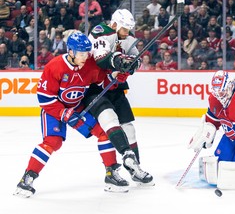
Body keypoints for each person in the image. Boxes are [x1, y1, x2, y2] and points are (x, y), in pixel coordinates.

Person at [13, 32, 142, 197]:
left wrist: (117, 77)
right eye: (81, 53)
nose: (85, 56)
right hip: (55, 110)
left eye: (87, 53)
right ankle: (27, 179)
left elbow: (103, 83)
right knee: (53, 142)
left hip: (77, 108)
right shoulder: (54, 66)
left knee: (104, 135)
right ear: (71, 52)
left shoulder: (90, 65)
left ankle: (111, 175)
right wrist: (63, 113)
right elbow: (44, 99)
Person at [87, 9, 154, 186]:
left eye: (129, 29)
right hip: (96, 86)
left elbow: (135, 57)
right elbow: (101, 59)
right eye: (124, 28)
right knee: (110, 120)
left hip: (115, 86)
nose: (127, 32)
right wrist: (119, 62)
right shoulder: (100, 32)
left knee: (129, 128)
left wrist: (131, 66)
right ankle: (121, 159)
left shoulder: (127, 37)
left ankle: (135, 168)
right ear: (115, 24)